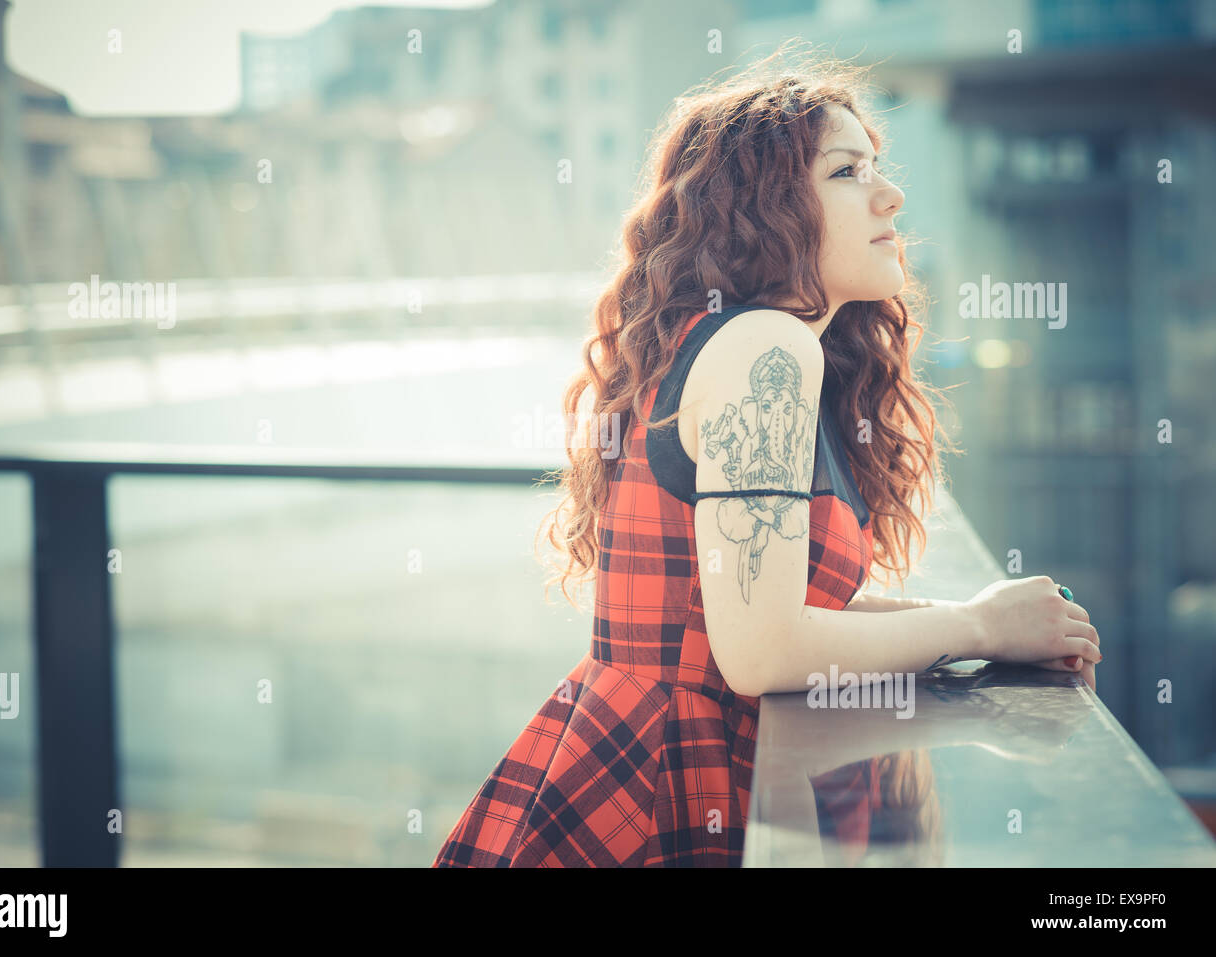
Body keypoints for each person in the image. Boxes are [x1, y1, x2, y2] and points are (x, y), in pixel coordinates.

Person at [432, 43, 1101, 868]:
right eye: (848, 172)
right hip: (670, 779)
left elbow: (749, 617)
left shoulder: (732, 342)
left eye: (877, 166)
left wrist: (991, 627)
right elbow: (761, 650)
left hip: (636, 750)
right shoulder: (766, 351)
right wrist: (972, 624)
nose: (890, 194)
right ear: (766, 208)